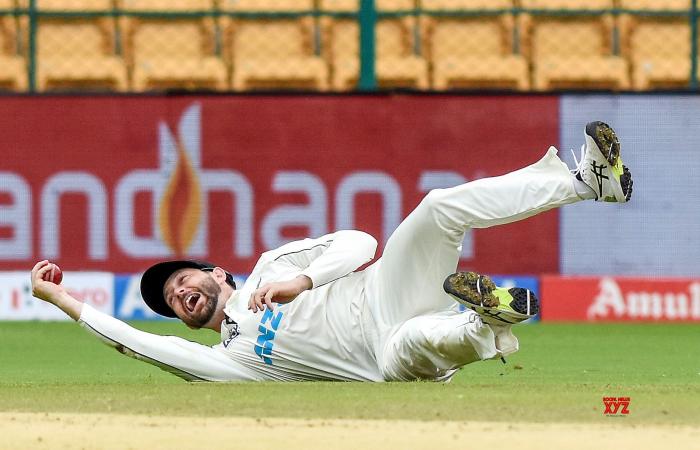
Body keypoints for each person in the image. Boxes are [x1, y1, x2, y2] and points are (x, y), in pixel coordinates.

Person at [30, 121, 633, 382]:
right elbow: (146, 347)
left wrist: (303, 282)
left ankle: (584, 182)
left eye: (182, 280)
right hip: (377, 358)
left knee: (436, 207)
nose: (181, 294)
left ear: (214, 271)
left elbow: (361, 244)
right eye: (173, 302)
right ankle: (484, 318)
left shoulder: (273, 265)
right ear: (186, 318)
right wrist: (61, 298)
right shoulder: (234, 360)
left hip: (382, 290)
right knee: (421, 344)